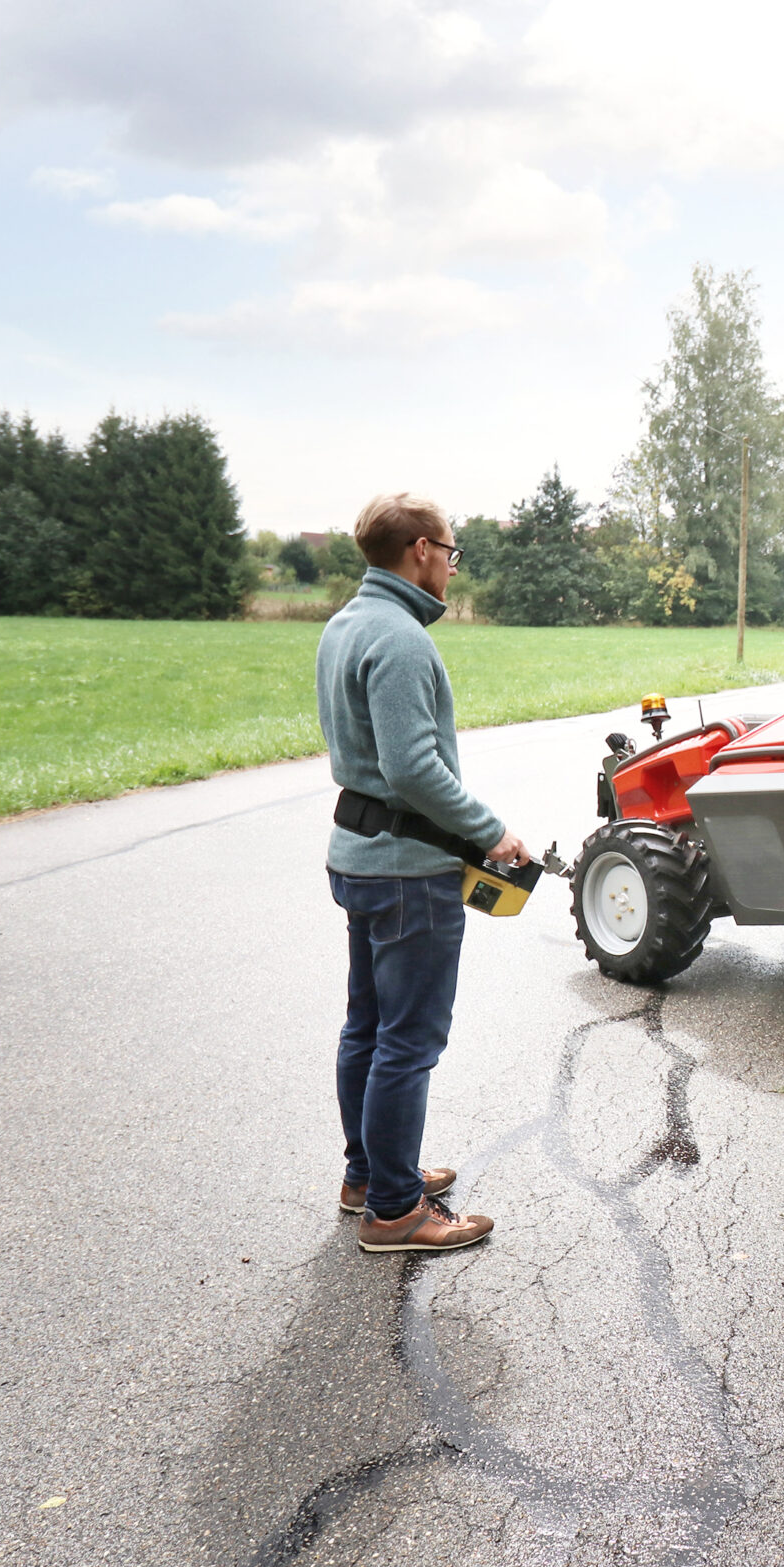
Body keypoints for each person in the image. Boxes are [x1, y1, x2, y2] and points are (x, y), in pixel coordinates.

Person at [315, 494, 528, 1252]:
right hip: (408, 871)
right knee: (408, 1040)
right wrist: (491, 832)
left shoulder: (345, 625)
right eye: (450, 550)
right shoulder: (401, 640)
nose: (450, 562)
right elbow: (413, 769)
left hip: (360, 858)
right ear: (420, 552)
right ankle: (397, 1211)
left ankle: (368, 1176)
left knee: (368, 1028)